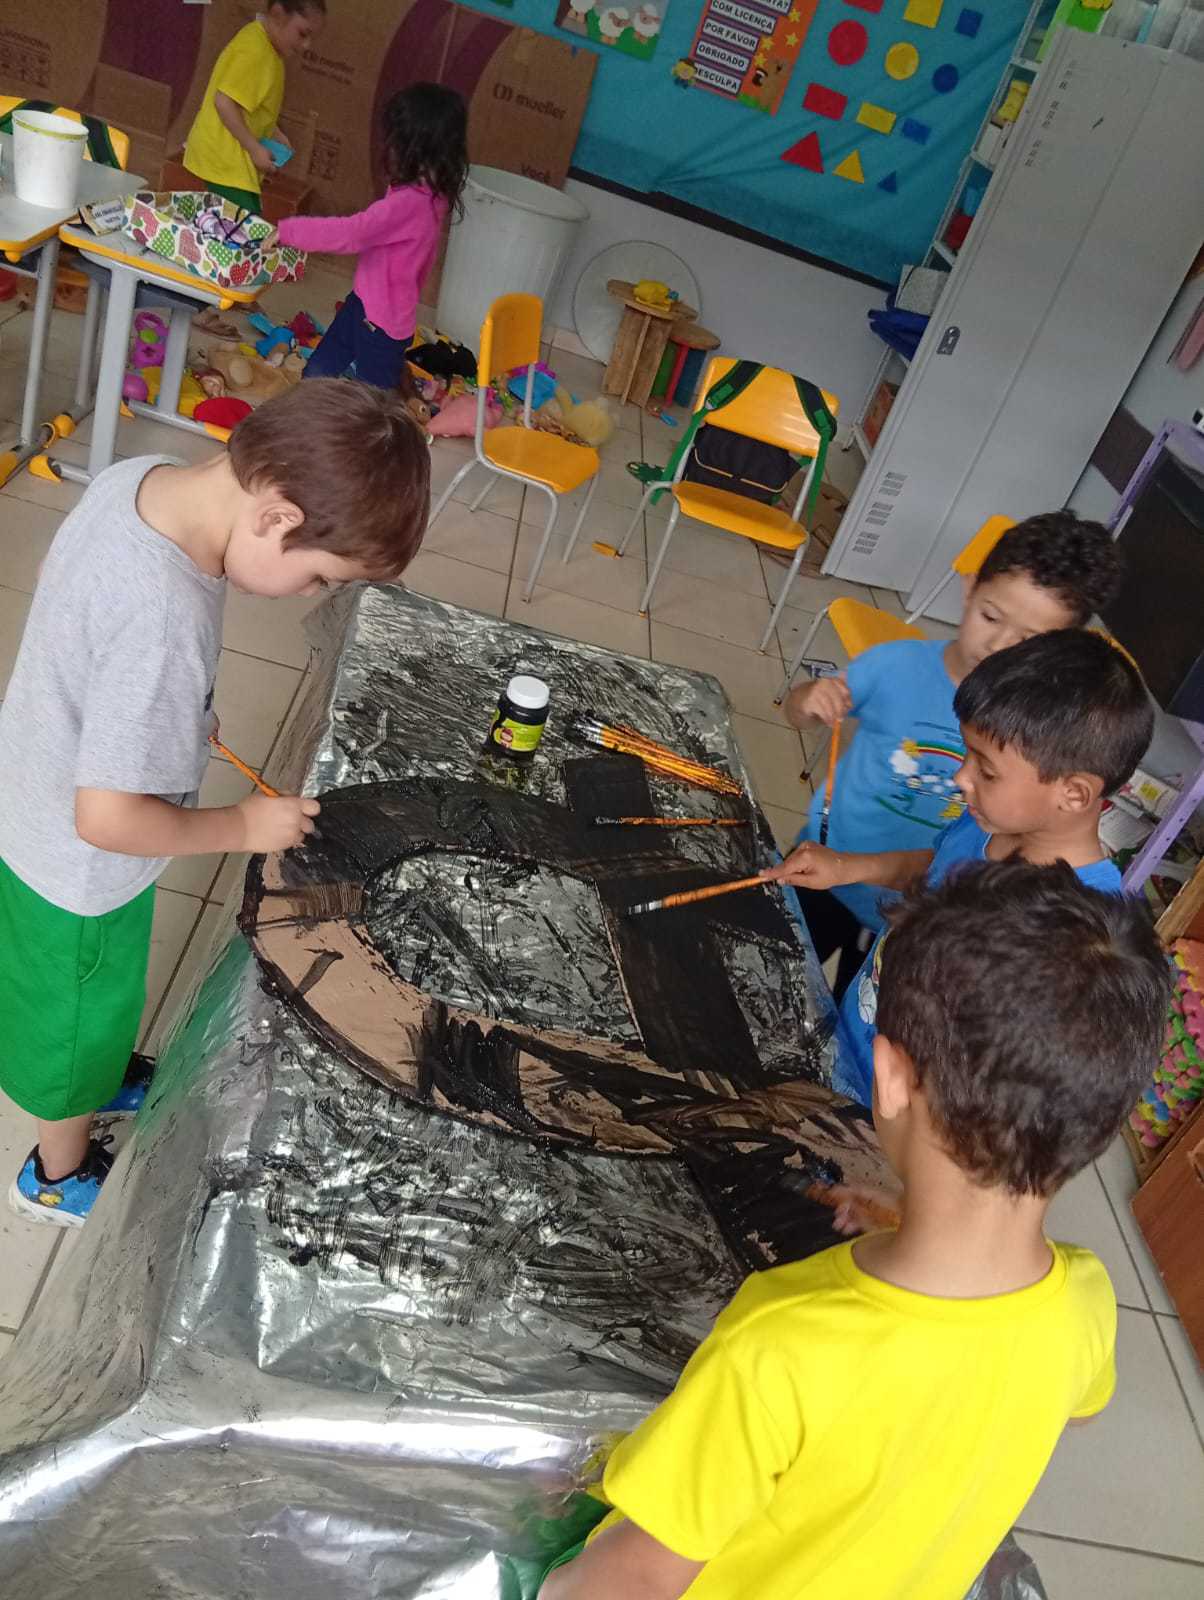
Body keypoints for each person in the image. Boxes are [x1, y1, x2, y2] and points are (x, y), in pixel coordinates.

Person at [540, 861, 1169, 1600]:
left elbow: (634, 1579)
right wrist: (911, 1214)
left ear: (891, 1076)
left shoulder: (779, 1343)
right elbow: (1051, 1403)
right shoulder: (1088, 1300)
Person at [0, 380, 429, 1228]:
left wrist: (159, 718)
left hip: (34, 786)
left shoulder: (140, 478)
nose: (308, 593)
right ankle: (55, 1171)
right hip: (74, 865)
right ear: (275, 516)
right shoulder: (164, 616)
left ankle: (97, 1071)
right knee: (71, 1018)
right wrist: (242, 825)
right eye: (319, 575)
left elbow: (66, 592)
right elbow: (106, 819)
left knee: (95, 1000)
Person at [768, 627, 1153, 1107]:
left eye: (986, 770)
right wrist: (848, 867)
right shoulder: (986, 822)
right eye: (967, 754)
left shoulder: (1077, 938)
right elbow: (936, 866)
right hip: (848, 1043)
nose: (960, 777)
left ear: (1073, 793)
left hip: (892, 1115)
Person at [782, 512, 1123, 999]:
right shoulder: (897, 666)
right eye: (991, 617)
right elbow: (797, 710)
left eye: (1028, 642)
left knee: (848, 1007)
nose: (999, 645)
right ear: (969, 589)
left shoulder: (1035, 742)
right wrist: (809, 699)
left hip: (905, 913)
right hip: (820, 866)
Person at [274, 84, 469, 391]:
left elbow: (352, 233)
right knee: (317, 374)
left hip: (380, 326)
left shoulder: (410, 203)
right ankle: (308, 410)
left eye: (394, 139)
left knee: (372, 401)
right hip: (363, 304)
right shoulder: (431, 193)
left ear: (411, 146)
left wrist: (289, 231)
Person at [182, 0, 326, 212]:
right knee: (244, 226)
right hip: (226, 163)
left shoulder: (269, 50)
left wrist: (274, 132)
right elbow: (224, 102)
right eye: (303, 34)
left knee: (233, 224)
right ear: (278, 14)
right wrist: (255, 148)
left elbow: (250, 106)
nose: (306, 45)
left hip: (229, 162)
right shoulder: (256, 51)